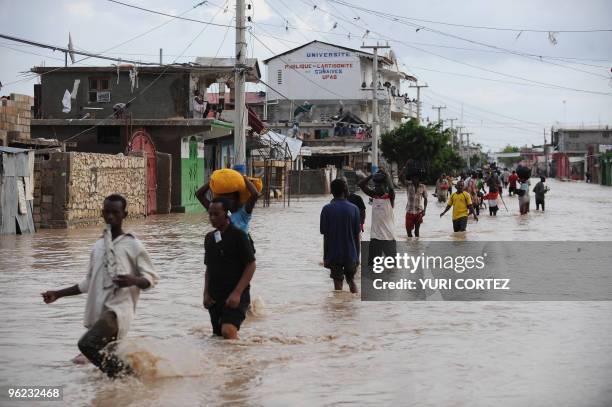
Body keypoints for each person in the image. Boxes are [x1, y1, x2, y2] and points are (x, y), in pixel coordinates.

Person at [41, 195, 159, 378]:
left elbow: (151, 279)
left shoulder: (133, 244)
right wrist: (58, 294)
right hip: (100, 312)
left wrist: (132, 280)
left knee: (86, 345)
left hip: (118, 312)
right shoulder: (98, 246)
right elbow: (88, 283)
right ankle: (130, 385)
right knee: (101, 362)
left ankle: (127, 376)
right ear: (102, 213)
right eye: (107, 212)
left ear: (124, 214)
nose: (111, 216)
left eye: (115, 212)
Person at [203, 197, 256, 339]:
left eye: (216, 214)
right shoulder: (209, 238)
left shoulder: (239, 236)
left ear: (226, 214)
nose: (212, 218)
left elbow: (251, 265)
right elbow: (209, 268)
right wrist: (206, 293)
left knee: (228, 331)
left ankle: (243, 360)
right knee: (218, 337)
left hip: (235, 294)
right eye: (210, 214)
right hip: (215, 297)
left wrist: (237, 293)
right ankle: (228, 361)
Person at [320, 179, 361, 293]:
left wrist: (325, 257)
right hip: (351, 253)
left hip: (334, 254)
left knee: (338, 285)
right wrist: (357, 256)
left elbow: (326, 237)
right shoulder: (354, 209)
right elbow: (357, 237)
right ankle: (354, 306)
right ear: (345, 190)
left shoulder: (326, 209)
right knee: (351, 281)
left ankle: (338, 309)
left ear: (331, 191)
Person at [358, 170, 396, 264]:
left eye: (379, 186)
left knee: (392, 267)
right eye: (376, 186)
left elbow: (392, 189)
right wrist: (372, 175)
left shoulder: (389, 198)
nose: (376, 188)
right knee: (372, 267)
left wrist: (387, 176)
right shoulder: (374, 197)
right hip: (375, 238)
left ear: (385, 187)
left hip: (388, 238)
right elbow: (361, 184)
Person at [403, 172, 428, 238]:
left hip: (419, 211)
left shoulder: (423, 186)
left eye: (416, 178)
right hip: (409, 211)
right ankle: (410, 246)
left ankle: (416, 246)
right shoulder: (408, 185)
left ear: (418, 179)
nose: (414, 179)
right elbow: (402, 179)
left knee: (417, 231)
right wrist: (404, 170)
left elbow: (425, 199)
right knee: (408, 232)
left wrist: (425, 210)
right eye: (413, 178)